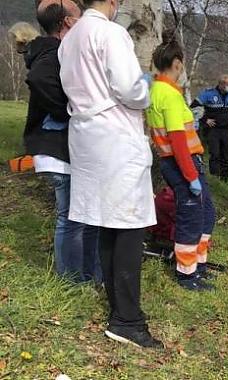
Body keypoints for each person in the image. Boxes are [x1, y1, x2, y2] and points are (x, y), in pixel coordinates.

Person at [59, 0, 160, 348]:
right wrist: (145, 87)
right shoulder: (110, 32)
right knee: (130, 224)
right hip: (115, 137)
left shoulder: (70, 38)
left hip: (87, 137)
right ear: (113, 3)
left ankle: (118, 307)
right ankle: (127, 320)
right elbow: (130, 89)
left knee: (106, 221)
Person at [22, 0, 101, 284]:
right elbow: (40, 79)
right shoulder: (54, 51)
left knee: (83, 216)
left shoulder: (54, 50)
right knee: (71, 217)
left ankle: (89, 275)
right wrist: (68, 110)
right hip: (58, 149)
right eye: (79, 14)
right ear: (67, 22)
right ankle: (71, 280)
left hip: (65, 150)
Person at [147, 33, 217, 291]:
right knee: (191, 217)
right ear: (177, 64)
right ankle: (186, 274)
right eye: (183, 65)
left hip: (180, 161)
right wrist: (190, 177)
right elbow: (177, 140)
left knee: (206, 212)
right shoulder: (169, 94)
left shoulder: (159, 90)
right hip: (182, 163)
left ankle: (198, 265)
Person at [190, 74, 228, 182]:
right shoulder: (209, 94)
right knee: (215, 153)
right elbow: (194, 106)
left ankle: (224, 179)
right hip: (213, 130)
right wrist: (204, 119)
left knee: (225, 155)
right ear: (221, 84)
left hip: (226, 129)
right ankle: (214, 178)